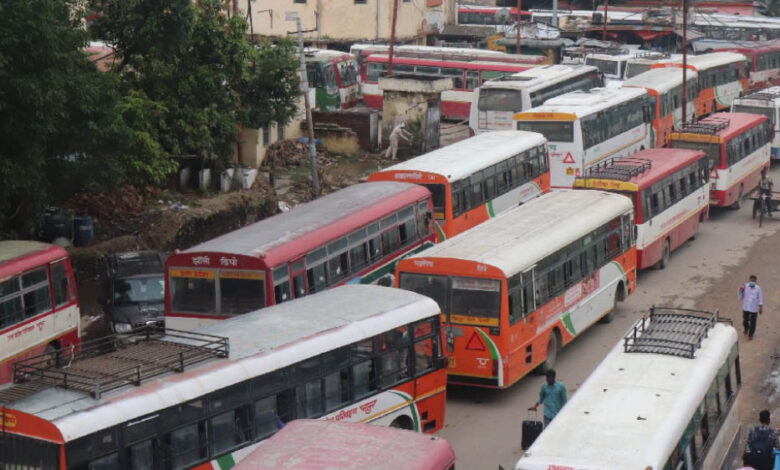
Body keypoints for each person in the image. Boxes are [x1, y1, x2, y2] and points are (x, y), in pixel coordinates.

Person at [738, 275, 763, 340]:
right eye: (751, 280)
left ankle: (751, 334)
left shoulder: (758, 288)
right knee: (745, 320)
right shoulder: (745, 286)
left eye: (753, 281)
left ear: (755, 281)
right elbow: (740, 296)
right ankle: (746, 328)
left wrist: (760, 307)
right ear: (749, 280)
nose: (752, 282)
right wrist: (740, 290)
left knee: (753, 322)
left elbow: (760, 298)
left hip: (754, 308)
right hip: (746, 307)